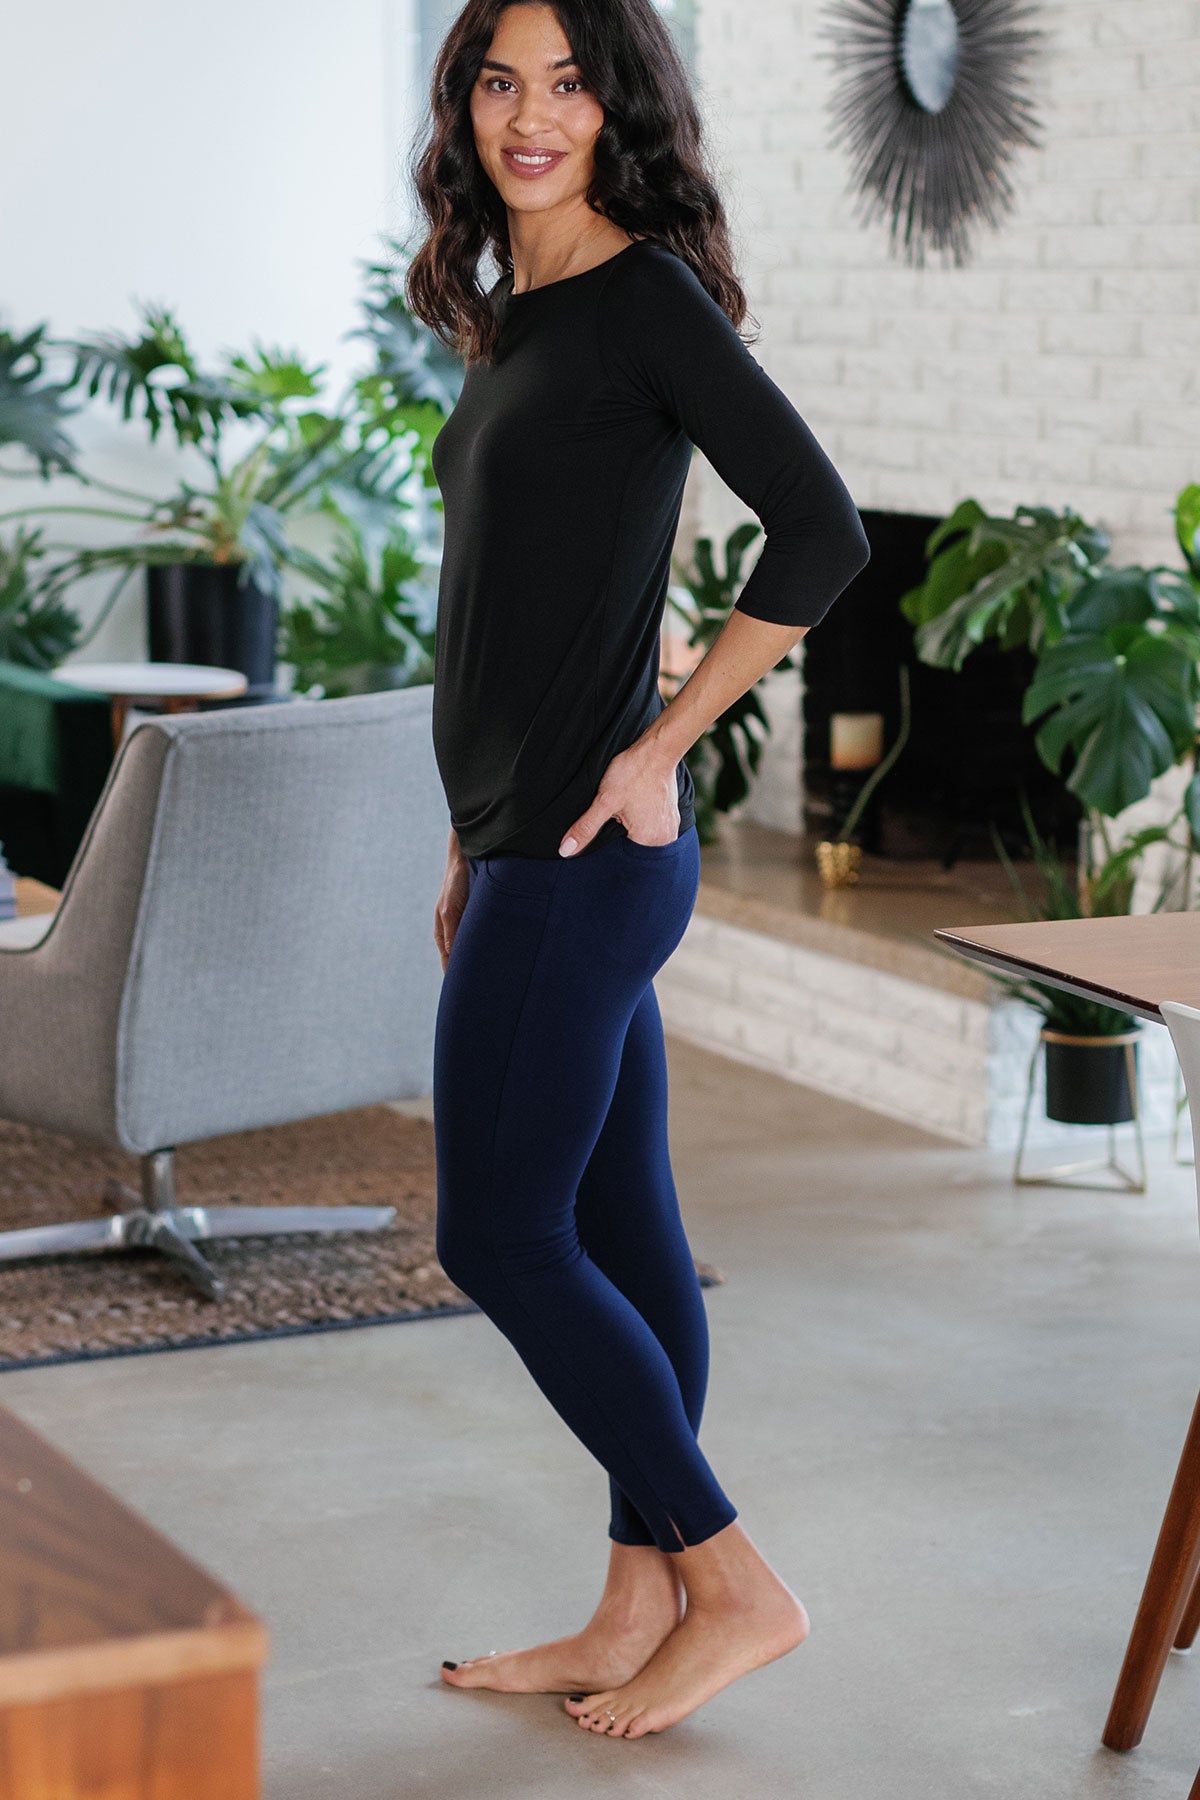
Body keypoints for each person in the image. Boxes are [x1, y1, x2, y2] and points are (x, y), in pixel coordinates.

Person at [405, 0, 871, 1741]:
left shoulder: (644, 298)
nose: (535, 116)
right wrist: (466, 828)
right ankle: (633, 1603)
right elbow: (514, 604)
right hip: (522, 843)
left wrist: (664, 735)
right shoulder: (515, 314)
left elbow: (820, 532)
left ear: (623, 111)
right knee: (623, 1230)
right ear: (463, 103)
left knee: (499, 1236)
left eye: (573, 84)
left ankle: (736, 1581)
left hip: (591, 852)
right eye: (501, 81)